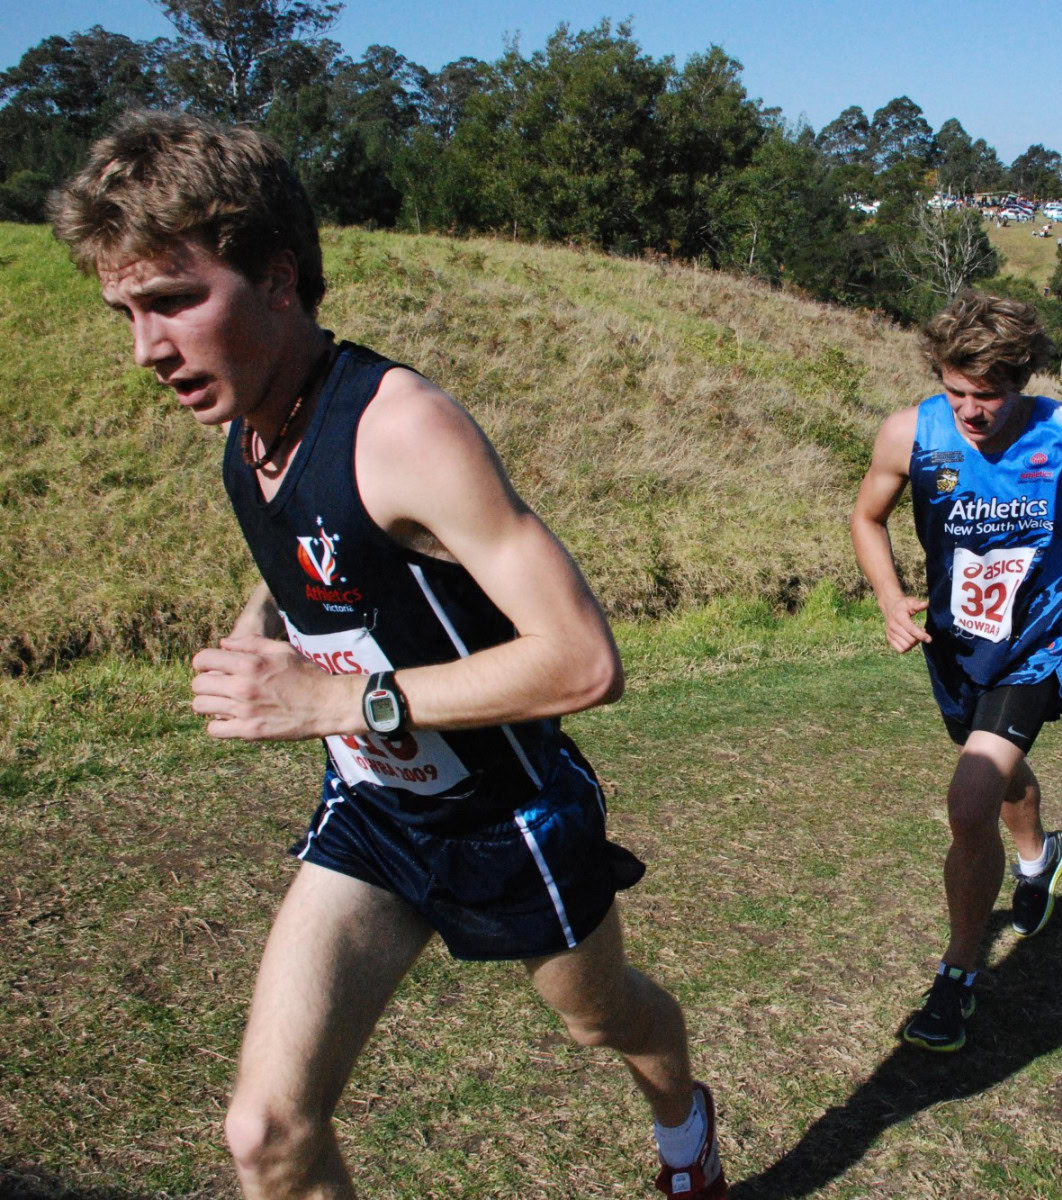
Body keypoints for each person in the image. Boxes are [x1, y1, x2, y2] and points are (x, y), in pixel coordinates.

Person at [51, 112, 728, 1199]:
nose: (146, 349)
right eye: (125, 312)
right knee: (265, 1136)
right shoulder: (245, 426)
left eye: (175, 301)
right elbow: (309, 561)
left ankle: (683, 1122)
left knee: (598, 1018)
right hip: (375, 812)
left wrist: (336, 701)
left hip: (506, 814)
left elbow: (583, 663)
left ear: (280, 279)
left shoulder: (401, 427)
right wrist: (262, 630)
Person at [850, 290, 1062, 1053]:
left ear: (1023, 378)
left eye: (990, 395)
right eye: (957, 391)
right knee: (995, 770)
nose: (971, 411)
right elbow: (866, 516)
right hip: (954, 647)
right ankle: (1040, 856)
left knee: (969, 801)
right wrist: (887, 595)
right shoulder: (911, 433)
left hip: (1035, 645)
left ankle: (957, 978)